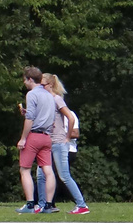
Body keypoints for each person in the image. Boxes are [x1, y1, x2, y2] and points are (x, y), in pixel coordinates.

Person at [41, 74, 89, 214]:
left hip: (59, 143)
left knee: (64, 176)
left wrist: (67, 138)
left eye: (43, 85)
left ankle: (81, 205)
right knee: (43, 174)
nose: (41, 88)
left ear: (50, 85)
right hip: (50, 142)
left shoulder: (56, 99)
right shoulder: (48, 100)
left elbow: (70, 117)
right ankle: (46, 205)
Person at [14, 66, 57, 213]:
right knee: (48, 170)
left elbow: (30, 118)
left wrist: (23, 139)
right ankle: (49, 205)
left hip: (34, 136)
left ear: (30, 79)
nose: (25, 83)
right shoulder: (49, 96)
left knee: (25, 169)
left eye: (25, 80)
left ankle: (30, 204)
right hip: (47, 137)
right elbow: (48, 117)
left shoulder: (32, 94)